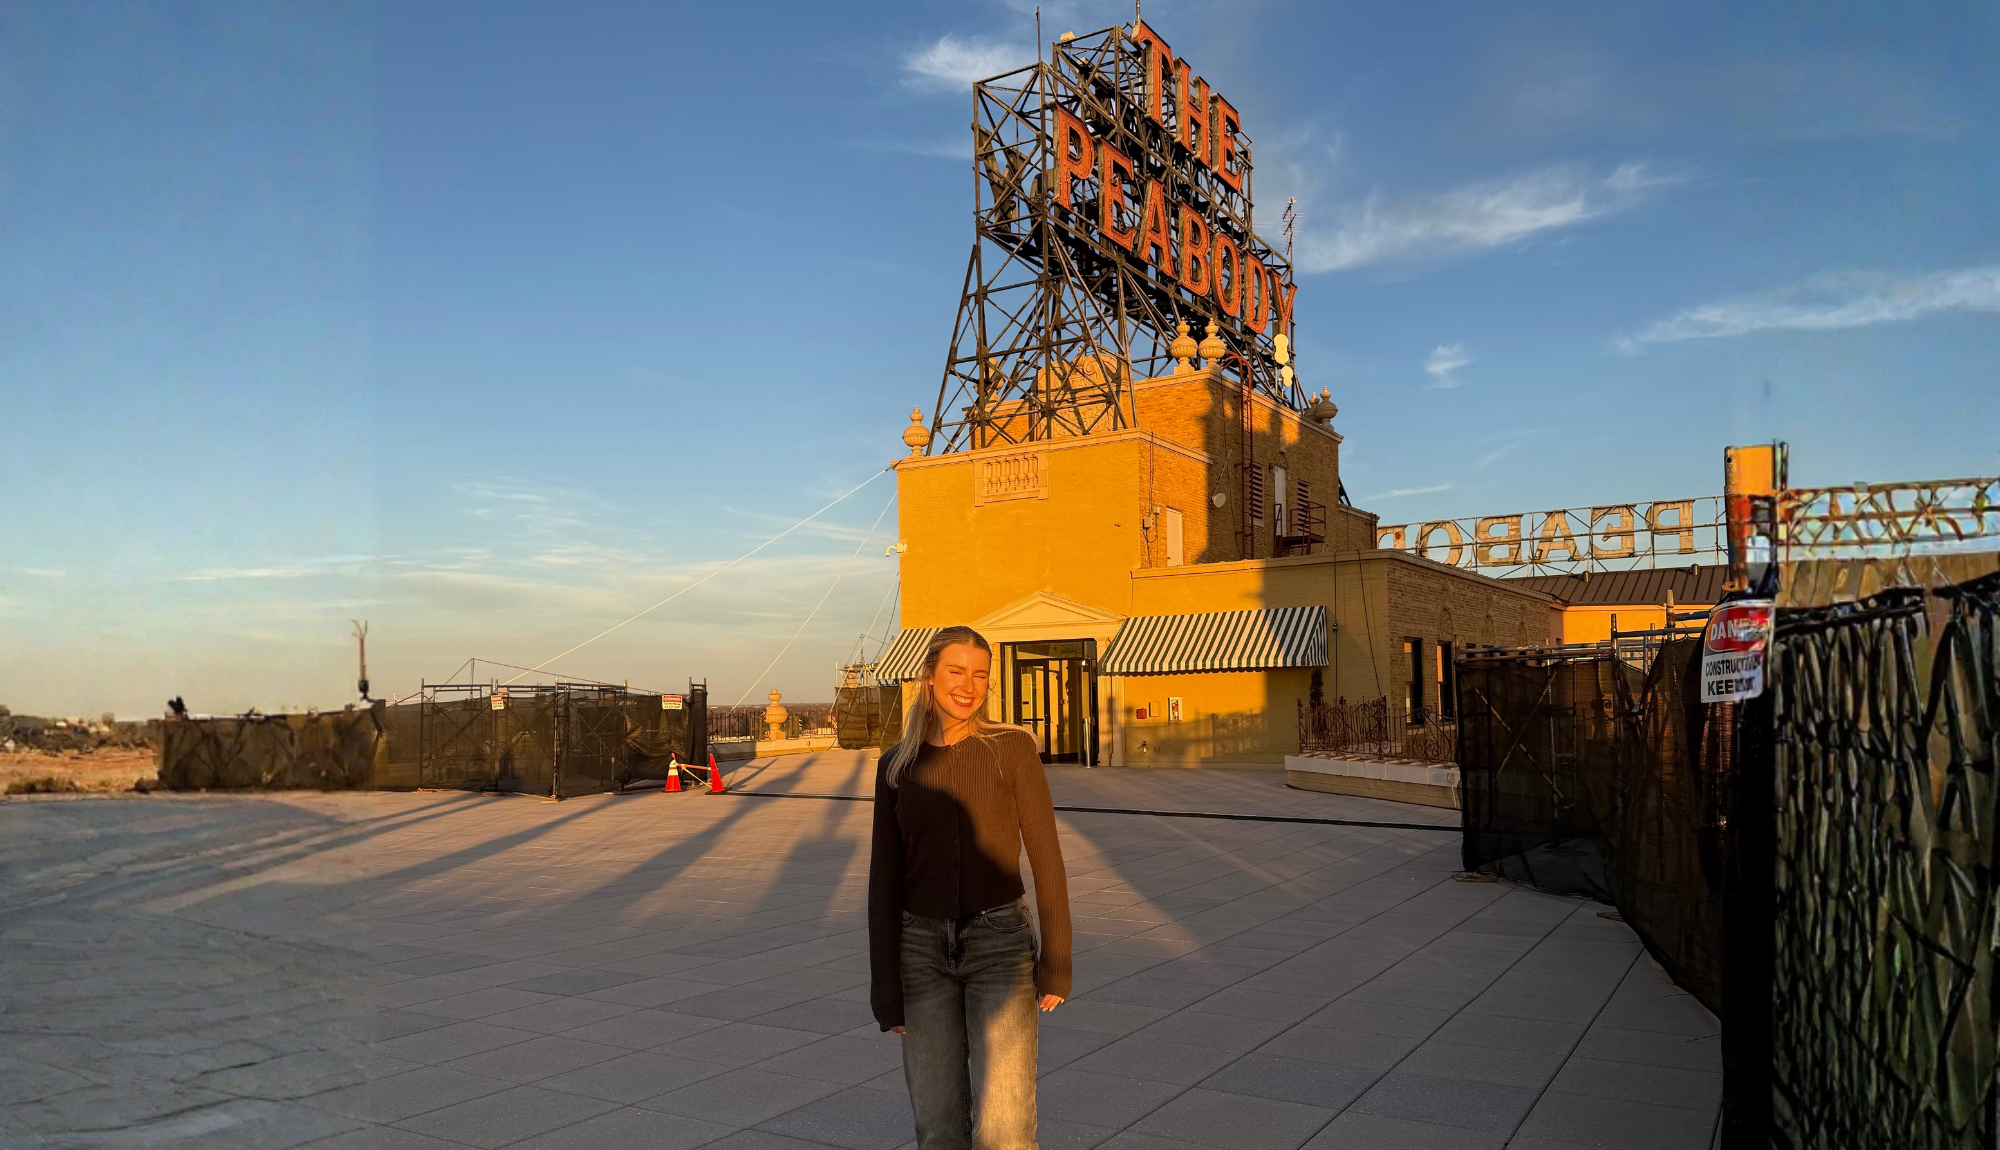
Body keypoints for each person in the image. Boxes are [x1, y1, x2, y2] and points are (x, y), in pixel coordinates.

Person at [869, 626, 1071, 1150]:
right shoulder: (896, 764)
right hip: (919, 951)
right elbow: (883, 880)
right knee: (936, 1125)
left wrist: (1059, 958)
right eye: (956, 672)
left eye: (980, 675)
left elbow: (1046, 857)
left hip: (998, 944)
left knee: (1004, 1129)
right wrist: (884, 984)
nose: (968, 685)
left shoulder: (1011, 748)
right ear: (929, 677)